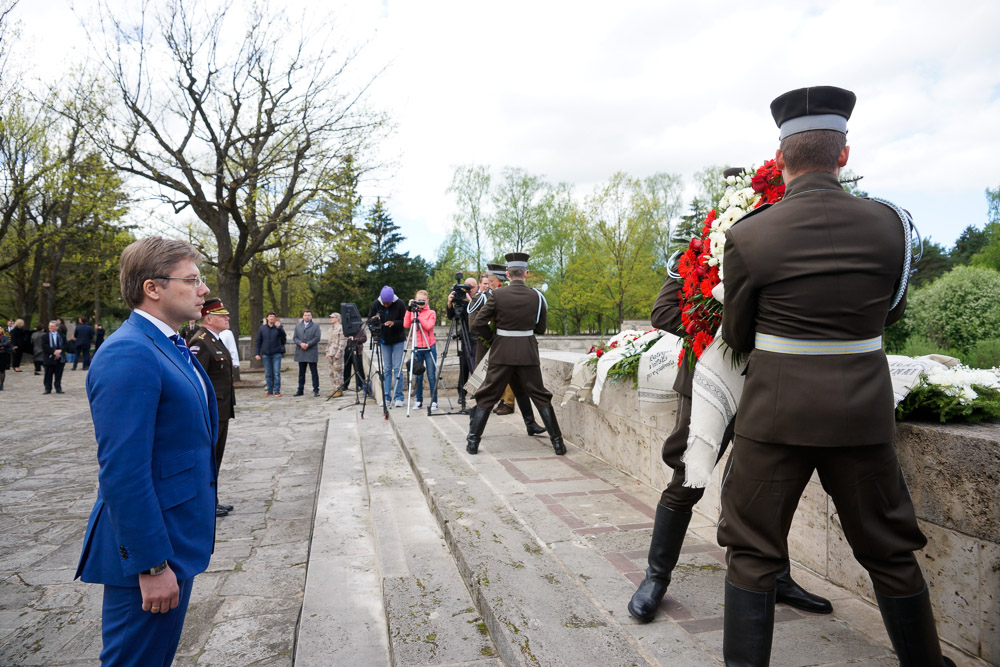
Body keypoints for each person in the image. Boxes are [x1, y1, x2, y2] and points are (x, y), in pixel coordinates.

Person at [718, 86, 953, 666]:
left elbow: (737, 335)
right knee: (891, 551)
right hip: (862, 414)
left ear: (780, 161)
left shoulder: (749, 234)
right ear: (843, 155)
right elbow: (889, 312)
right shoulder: (891, 225)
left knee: (752, 552)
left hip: (774, 415)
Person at [628, 273, 831, 624]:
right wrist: (724, 331)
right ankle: (656, 577)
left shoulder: (784, 241)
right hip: (710, 379)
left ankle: (777, 577)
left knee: (766, 485)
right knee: (686, 480)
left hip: (768, 384)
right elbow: (663, 313)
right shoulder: (707, 245)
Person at [75, 236, 217, 667]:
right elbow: (122, 473)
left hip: (175, 535)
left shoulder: (167, 343)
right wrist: (152, 566)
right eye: (191, 280)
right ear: (152, 288)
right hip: (151, 551)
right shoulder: (128, 352)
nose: (204, 289)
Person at [467, 252, 563, 455]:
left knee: (488, 394)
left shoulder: (496, 295)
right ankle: (558, 443)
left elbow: (477, 323)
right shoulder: (537, 296)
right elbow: (541, 328)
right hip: (528, 352)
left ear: (508, 274)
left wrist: (494, 338)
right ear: (525, 273)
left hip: (502, 353)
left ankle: (473, 442)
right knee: (540, 395)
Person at [469, 262, 546, 436]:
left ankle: (530, 422)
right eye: (488, 281)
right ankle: (473, 424)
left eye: (492, 281)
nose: (491, 284)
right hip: (491, 347)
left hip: (506, 347)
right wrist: (492, 337)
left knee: (519, 387)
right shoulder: (481, 297)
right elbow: (474, 323)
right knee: (485, 387)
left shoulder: (501, 294)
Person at [189, 298, 236, 518]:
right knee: (209, 458)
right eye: (222, 315)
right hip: (212, 410)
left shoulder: (215, 340)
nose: (227, 318)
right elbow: (197, 380)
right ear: (209, 318)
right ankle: (206, 503)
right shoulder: (200, 341)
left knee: (216, 457)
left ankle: (212, 500)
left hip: (222, 409)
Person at [368, 286, 407, 407]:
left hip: (398, 340)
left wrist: (394, 323)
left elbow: (405, 321)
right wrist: (374, 320)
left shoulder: (400, 304)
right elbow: (369, 320)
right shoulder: (376, 304)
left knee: (397, 368)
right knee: (387, 369)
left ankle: (398, 397)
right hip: (384, 340)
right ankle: (386, 397)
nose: (386, 305)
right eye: (384, 304)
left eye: (388, 303)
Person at [403, 289, 439, 410]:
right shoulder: (412, 312)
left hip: (429, 348)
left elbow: (428, 326)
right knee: (418, 376)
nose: (421, 303)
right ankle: (419, 400)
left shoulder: (431, 312)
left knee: (431, 375)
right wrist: (409, 310)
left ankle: (434, 401)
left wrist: (419, 315)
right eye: (418, 301)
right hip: (417, 347)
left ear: (427, 301)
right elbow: (406, 325)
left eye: (423, 301)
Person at [447, 276, 480, 405]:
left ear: (476, 288)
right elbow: (452, 316)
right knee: (464, 367)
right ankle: (462, 394)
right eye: (466, 287)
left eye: (471, 288)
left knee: (474, 367)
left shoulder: (479, 299)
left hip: (475, 338)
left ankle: (477, 392)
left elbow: (477, 314)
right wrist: (449, 303)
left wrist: (470, 301)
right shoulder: (461, 300)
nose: (468, 290)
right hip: (465, 337)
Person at [254, 312, 286, 397]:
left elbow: (284, 338)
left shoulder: (279, 327)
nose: (271, 318)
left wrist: (279, 329)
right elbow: (258, 341)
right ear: (267, 318)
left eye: (273, 317)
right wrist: (257, 353)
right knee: (268, 373)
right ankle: (269, 390)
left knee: (276, 373)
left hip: (276, 354)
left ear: (275, 318)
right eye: (270, 316)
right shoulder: (262, 328)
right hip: (266, 354)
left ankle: (277, 390)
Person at [293, 309, 322, 397]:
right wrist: (300, 343)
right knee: (301, 373)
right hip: (301, 351)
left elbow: (317, 338)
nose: (307, 316)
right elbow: (295, 338)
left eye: (309, 315)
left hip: (311, 351)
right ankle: (300, 390)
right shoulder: (298, 326)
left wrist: (308, 344)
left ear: (311, 316)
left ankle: (316, 390)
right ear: (303, 316)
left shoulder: (316, 326)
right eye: (305, 315)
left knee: (314, 372)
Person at [41, 320, 71, 394]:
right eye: (49, 326)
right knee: (48, 374)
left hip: (60, 358)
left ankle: (58, 387)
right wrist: (53, 352)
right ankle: (48, 388)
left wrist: (60, 350)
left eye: (52, 326)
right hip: (49, 357)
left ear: (57, 327)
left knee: (58, 374)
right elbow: (44, 346)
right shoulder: (45, 336)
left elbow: (66, 345)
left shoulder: (62, 336)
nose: (50, 327)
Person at [325, 312, 346, 399]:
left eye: (332, 317)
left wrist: (339, 353)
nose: (331, 319)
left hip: (337, 353)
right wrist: (327, 352)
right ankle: (334, 388)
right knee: (331, 372)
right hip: (331, 352)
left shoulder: (341, 328)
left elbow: (343, 341)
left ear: (337, 318)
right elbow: (329, 342)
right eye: (330, 317)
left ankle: (339, 389)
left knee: (338, 371)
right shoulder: (331, 329)